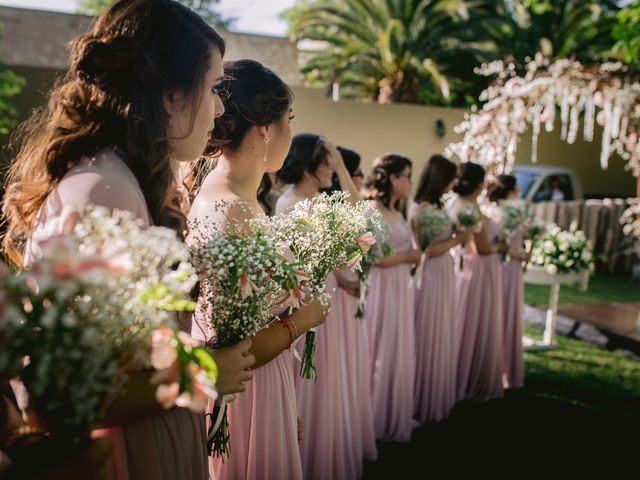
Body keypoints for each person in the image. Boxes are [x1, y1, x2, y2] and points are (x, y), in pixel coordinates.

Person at [2, 1, 253, 477]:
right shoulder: (102, 189)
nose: (220, 110)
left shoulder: (127, 179)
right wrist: (204, 369)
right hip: (124, 453)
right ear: (170, 96)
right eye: (214, 88)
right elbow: (60, 393)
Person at [187, 60, 327, 479]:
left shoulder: (240, 199)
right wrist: (303, 319)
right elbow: (226, 342)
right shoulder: (229, 209)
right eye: (289, 119)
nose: (290, 130)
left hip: (265, 385)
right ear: (266, 128)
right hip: (245, 395)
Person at [275, 133, 363, 480]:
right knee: (311, 378)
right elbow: (292, 270)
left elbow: (359, 217)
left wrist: (340, 277)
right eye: (328, 162)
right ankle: (309, 460)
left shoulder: (322, 202)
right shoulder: (288, 204)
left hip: (331, 301)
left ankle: (329, 453)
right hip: (306, 306)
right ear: (311, 167)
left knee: (330, 379)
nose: (332, 170)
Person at [364, 154, 421, 441]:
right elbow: (374, 258)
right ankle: (372, 416)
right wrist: (409, 256)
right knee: (380, 346)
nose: (410, 182)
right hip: (382, 286)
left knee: (397, 344)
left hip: (400, 286)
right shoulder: (372, 209)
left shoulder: (398, 209)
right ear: (394, 179)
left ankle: (393, 411)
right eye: (407, 175)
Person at [409, 154, 469, 423]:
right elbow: (427, 250)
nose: (454, 182)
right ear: (439, 179)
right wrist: (458, 240)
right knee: (429, 329)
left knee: (442, 327)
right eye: (451, 177)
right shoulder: (419, 209)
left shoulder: (437, 206)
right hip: (431, 274)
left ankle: (438, 393)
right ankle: (421, 397)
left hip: (444, 273)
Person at [449, 162, 506, 402]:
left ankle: (460, 372)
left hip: (466, 268)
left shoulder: (458, 204)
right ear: (480, 184)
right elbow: (481, 248)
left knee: (465, 320)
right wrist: (502, 245)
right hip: (480, 270)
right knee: (477, 319)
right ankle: (472, 377)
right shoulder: (469, 208)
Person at [487, 175, 528, 389]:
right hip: (506, 268)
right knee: (503, 312)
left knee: (505, 313)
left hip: (508, 268)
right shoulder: (506, 213)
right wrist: (520, 255)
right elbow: (503, 246)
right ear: (512, 190)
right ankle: (502, 369)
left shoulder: (498, 211)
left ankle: (503, 368)